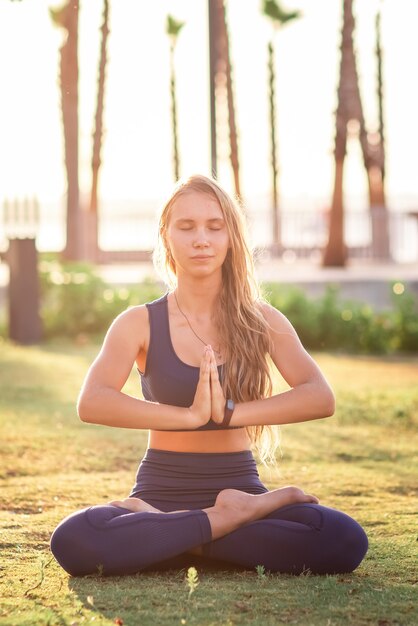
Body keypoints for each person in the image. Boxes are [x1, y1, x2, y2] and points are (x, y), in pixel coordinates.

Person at [50, 174, 368, 577]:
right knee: (73, 540)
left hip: (238, 484)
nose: (201, 239)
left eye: (214, 227)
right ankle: (224, 522)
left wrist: (229, 413)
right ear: (166, 237)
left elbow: (320, 396)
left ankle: (173, 538)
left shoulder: (262, 320)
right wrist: (188, 416)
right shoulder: (138, 323)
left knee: (341, 538)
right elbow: (92, 401)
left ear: (230, 237)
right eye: (187, 227)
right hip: (159, 490)